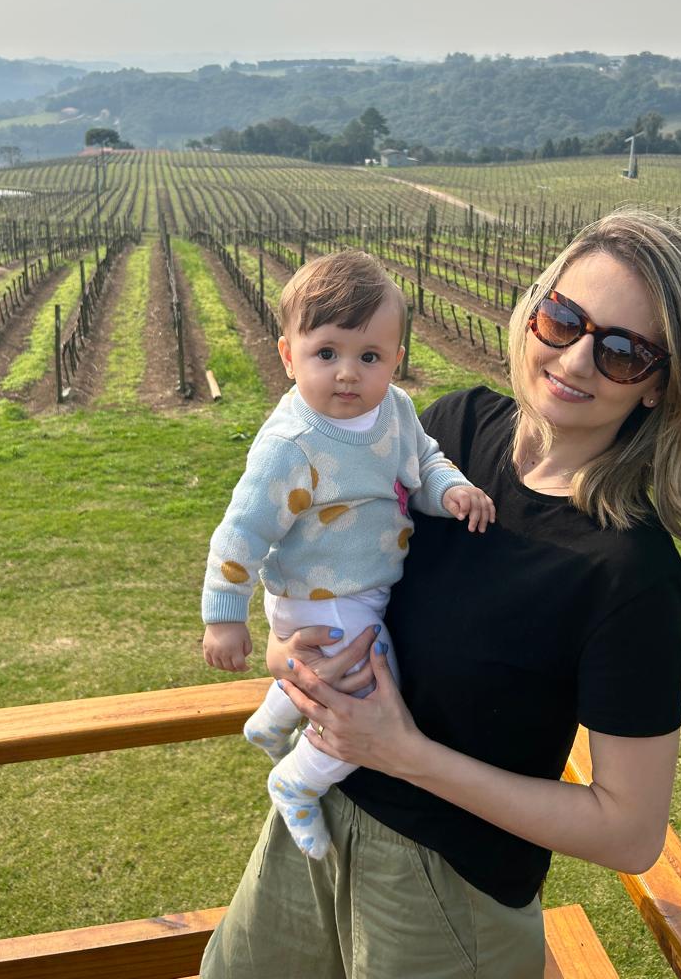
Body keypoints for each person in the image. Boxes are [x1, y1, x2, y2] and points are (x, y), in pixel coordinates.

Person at [199, 208, 681, 979]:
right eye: (565, 319)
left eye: (624, 352)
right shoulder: (452, 430)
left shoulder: (628, 572)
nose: (577, 358)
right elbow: (332, 557)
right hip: (314, 818)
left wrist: (408, 756)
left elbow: (628, 832)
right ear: (535, 312)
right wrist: (285, 649)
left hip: (444, 890)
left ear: (660, 384)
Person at [201, 249, 494, 860]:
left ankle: (273, 719)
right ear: (289, 356)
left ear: (396, 360)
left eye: (369, 357)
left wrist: (451, 491)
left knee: (341, 673)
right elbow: (241, 533)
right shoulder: (292, 445)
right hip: (321, 594)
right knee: (370, 690)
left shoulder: (396, 411)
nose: (347, 374)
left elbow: (424, 465)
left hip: (361, 587)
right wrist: (224, 616)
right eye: (327, 353)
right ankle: (299, 780)